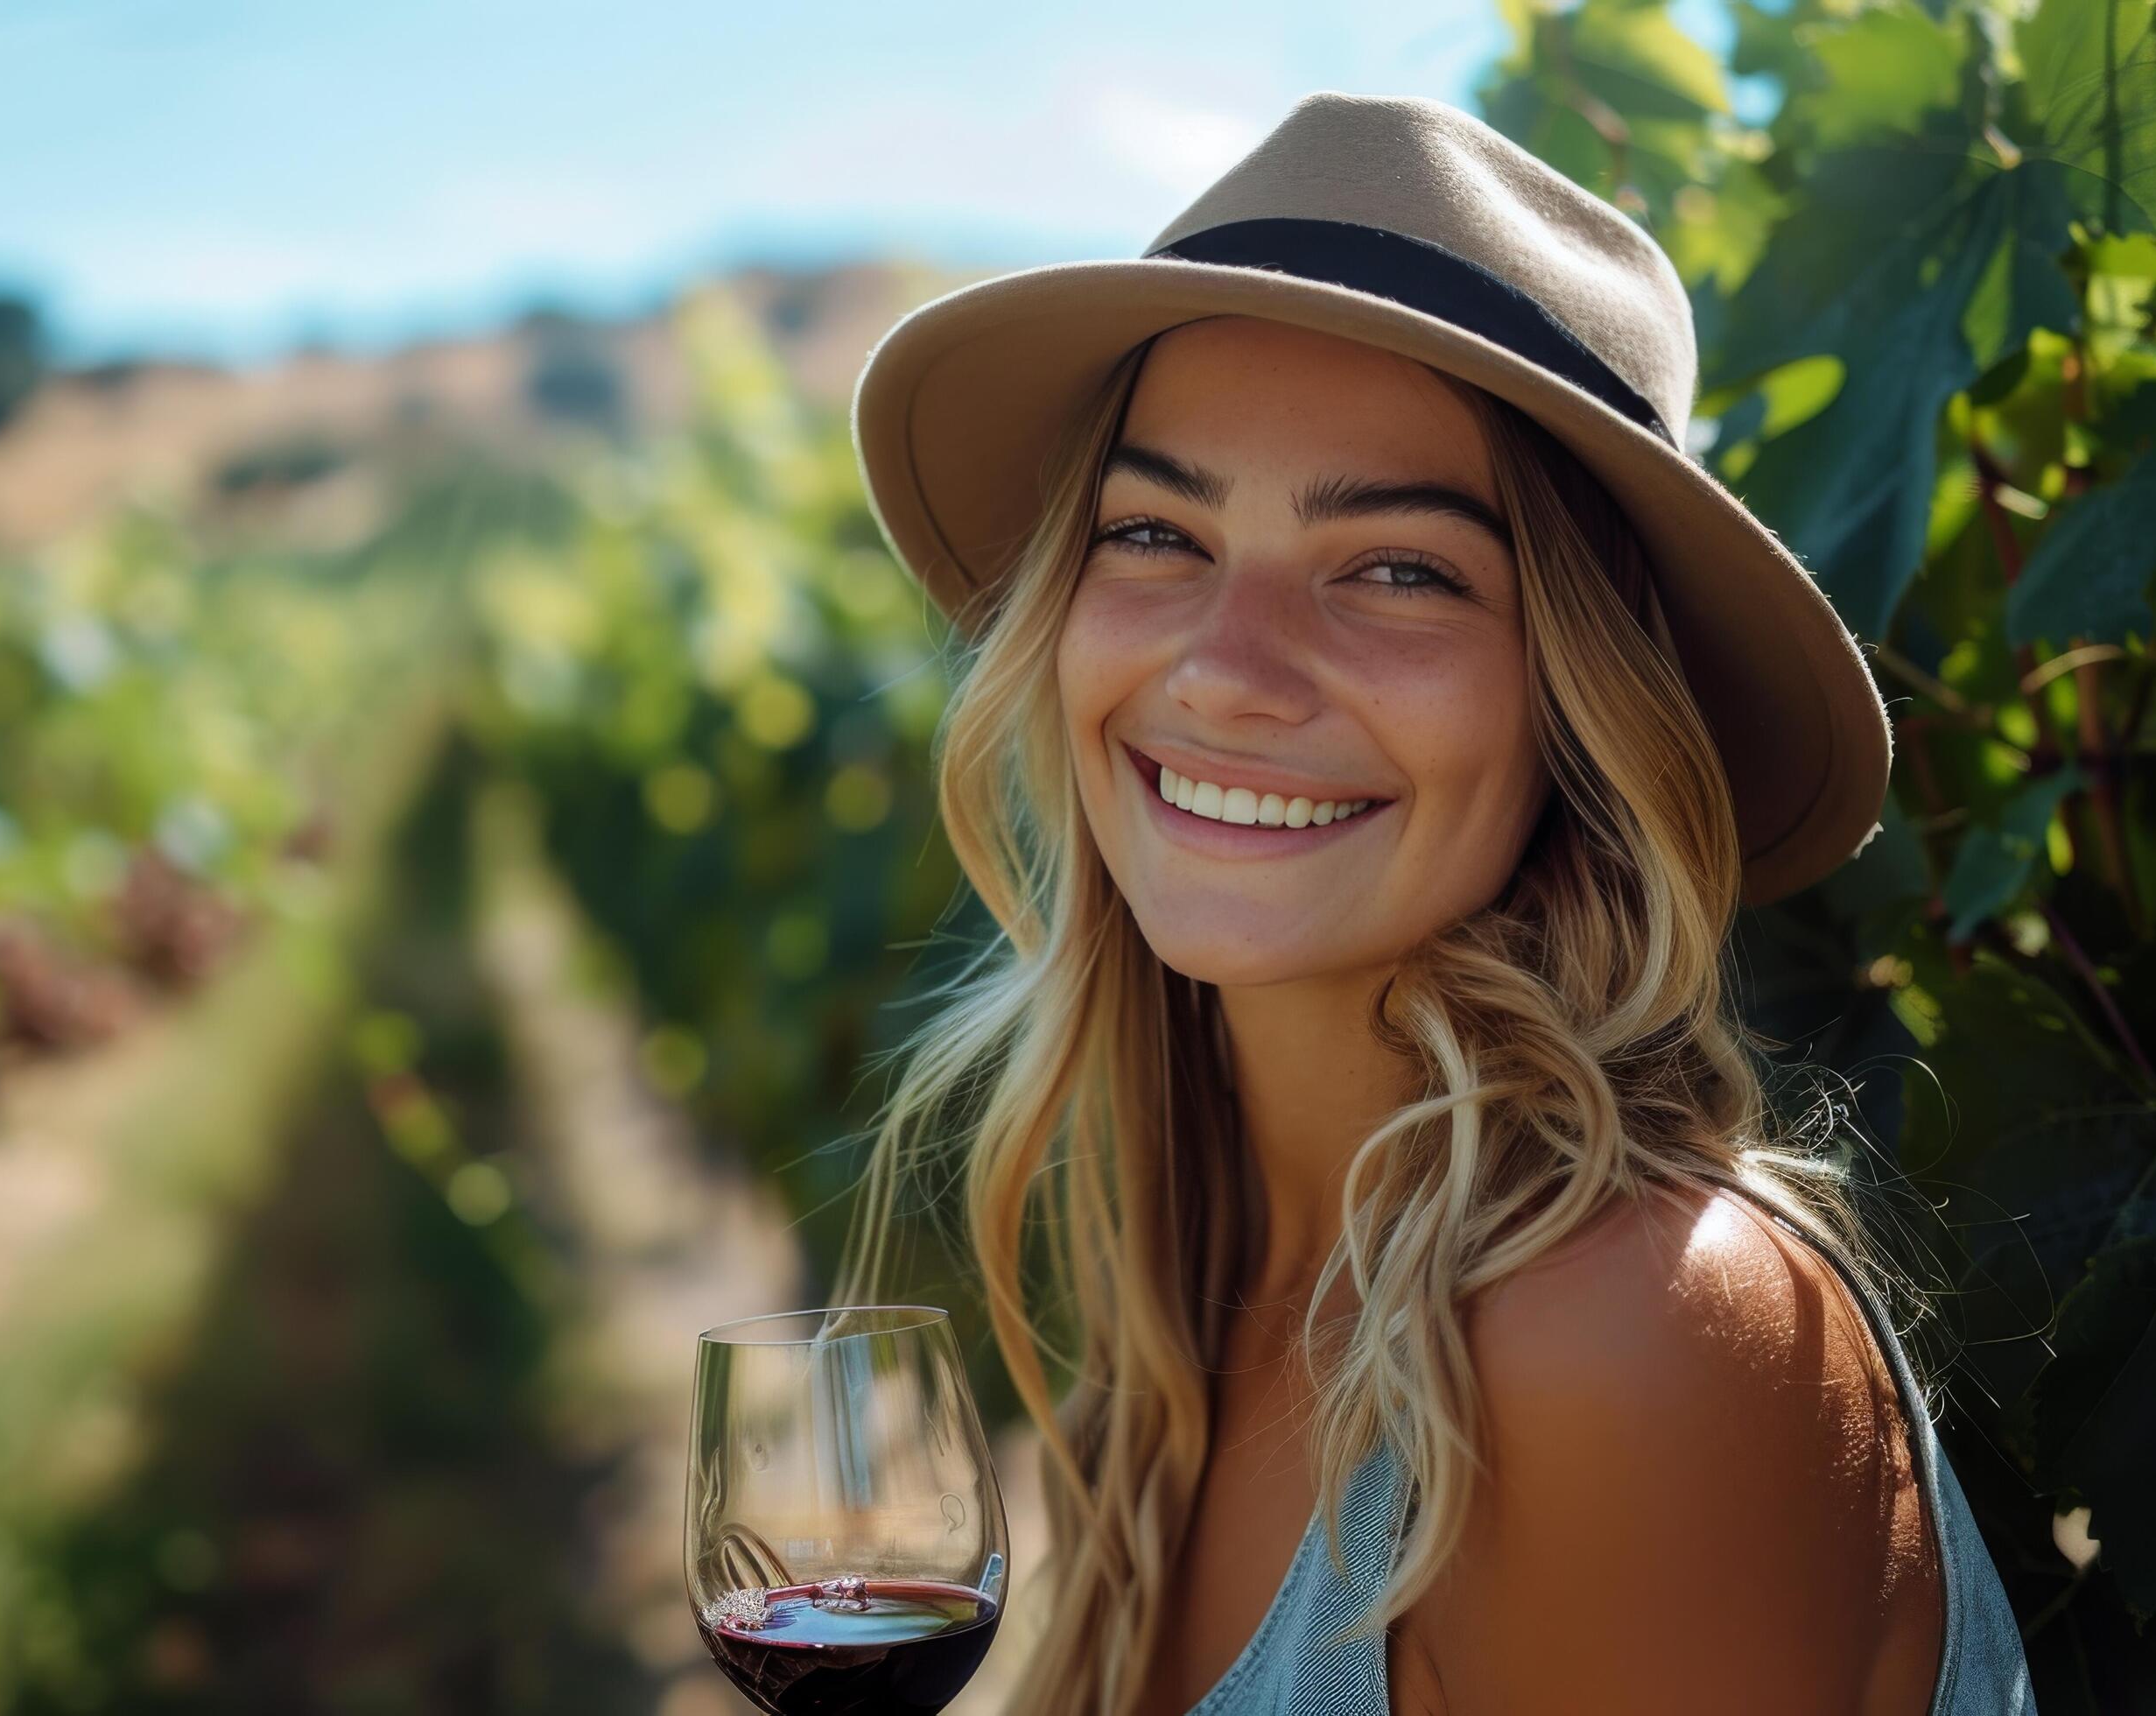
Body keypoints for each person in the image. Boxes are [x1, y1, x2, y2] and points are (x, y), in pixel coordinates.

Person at [835, 92, 2040, 1715]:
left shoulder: (1630, 1338)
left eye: (1398, 568)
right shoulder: (1203, 1294)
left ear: (1585, 704)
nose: (1225, 668)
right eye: (1152, 533)